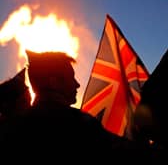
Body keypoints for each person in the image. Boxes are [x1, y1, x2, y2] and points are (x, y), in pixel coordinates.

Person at [0, 50, 158, 162]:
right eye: (71, 78)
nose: (77, 84)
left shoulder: (10, 129)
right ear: (53, 81)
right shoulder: (79, 125)